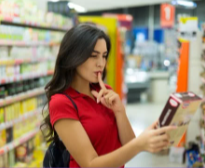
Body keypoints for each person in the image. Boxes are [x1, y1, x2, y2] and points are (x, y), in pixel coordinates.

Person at [42, 23, 176, 167]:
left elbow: (128, 144)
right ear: (74, 56)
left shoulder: (104, 92)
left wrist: (119, 111)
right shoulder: (62, 102)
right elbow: (90, 164)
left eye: (104, 56)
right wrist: (139, 144)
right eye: (94, 56)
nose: (101, 63)